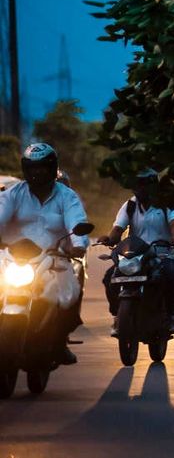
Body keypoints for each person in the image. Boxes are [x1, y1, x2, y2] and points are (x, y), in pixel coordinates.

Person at [0, 143, 90, 364]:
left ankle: (59, 343)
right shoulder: (13, 194)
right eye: (32, 167)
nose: (37, 172)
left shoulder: (67, 197)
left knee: (70, 293)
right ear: (26, 169)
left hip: (52, 257)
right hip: (13, 258)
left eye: (42, 167)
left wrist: (78, 244)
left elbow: (76, 220)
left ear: (52, 168)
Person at [100, 169, 174, 335]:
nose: (141, 189)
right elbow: (118, 228)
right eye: (138, 185)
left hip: (162, 254)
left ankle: (172, 317)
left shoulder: (168, 203)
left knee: (170, 274)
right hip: (135, 256)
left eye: (145, 184)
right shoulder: (130, 206)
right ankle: (117, 315)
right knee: (109, 277)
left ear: (154, 185)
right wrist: (110, 239)